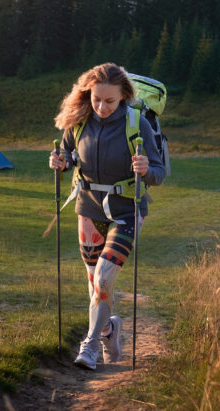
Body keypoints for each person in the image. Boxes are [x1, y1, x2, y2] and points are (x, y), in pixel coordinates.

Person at [49, 62, 165, 371]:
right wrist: (60, 162)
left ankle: (89, 347)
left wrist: (146, 170)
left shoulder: (136, 124)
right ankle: (108, 331)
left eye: (109, 101)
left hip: (127, 211)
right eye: (96, 98)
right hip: (87, 209)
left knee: (103, 279)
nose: (101, 106)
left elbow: (160, 172)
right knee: (94, 286)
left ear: (124, 96)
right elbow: (69, 155)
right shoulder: (79, 121)